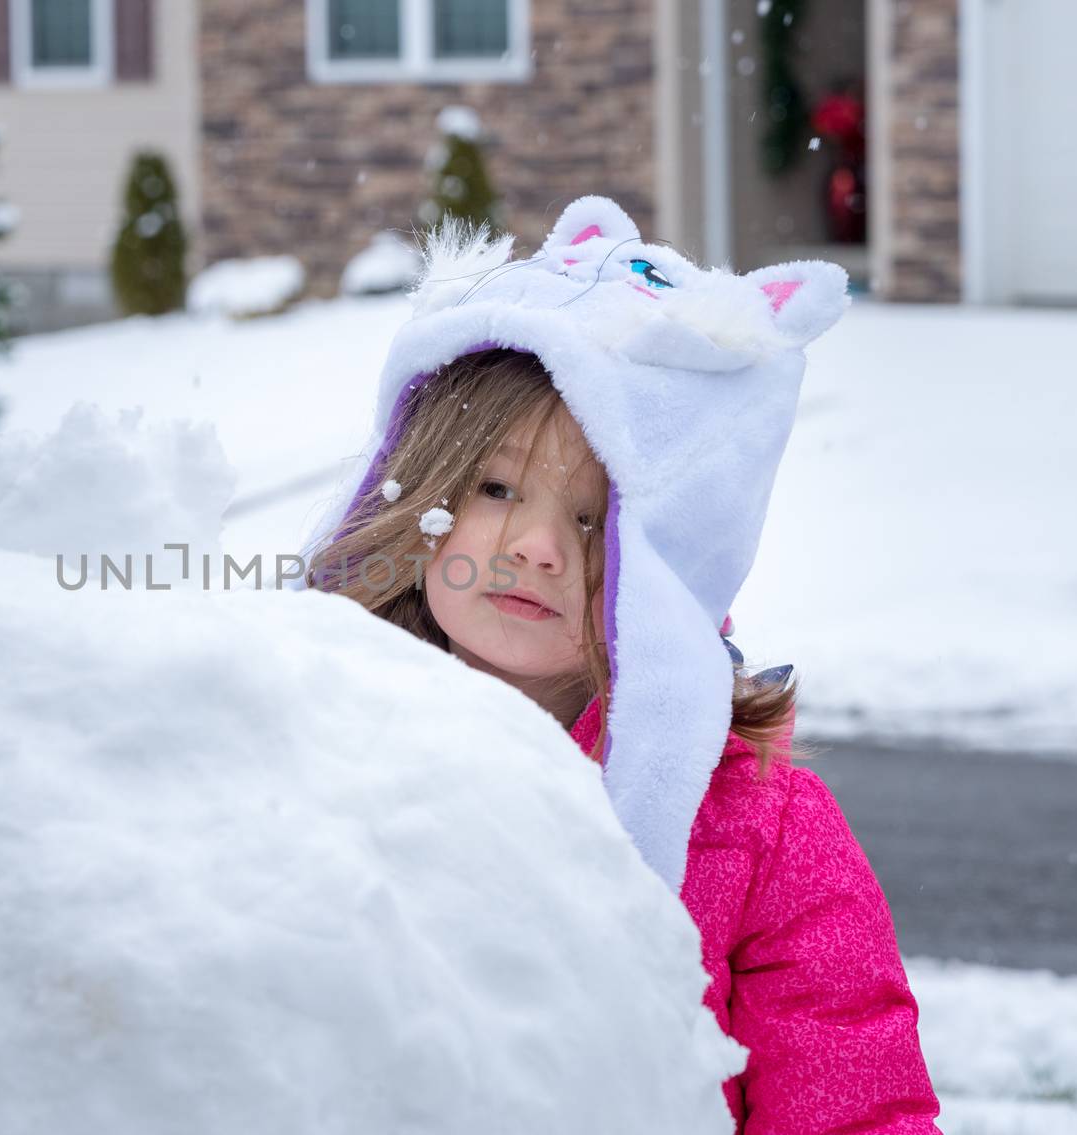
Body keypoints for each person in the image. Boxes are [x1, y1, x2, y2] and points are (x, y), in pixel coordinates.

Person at [294, 196, 942, 1132]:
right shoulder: (318, 729)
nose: (538, 546)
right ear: (422, 483)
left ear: (676, 564)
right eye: (498, 485)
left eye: (597, 518)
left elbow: (852, 1104)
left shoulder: (767, 836)